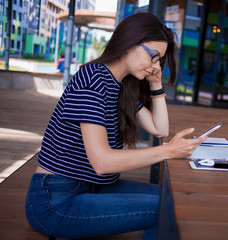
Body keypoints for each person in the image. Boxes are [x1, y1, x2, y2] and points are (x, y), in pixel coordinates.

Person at [25, 12, 205, 240]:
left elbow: (160, 129)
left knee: (173, 198)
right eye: (154, 56)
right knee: (164, 208)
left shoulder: (121, 85)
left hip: (92, 187)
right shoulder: (92, 79)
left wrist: (156, 84)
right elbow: (102, 162)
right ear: (130, 41)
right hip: (55, 200)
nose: (155, 65)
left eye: (159, 61)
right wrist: (168, 151)